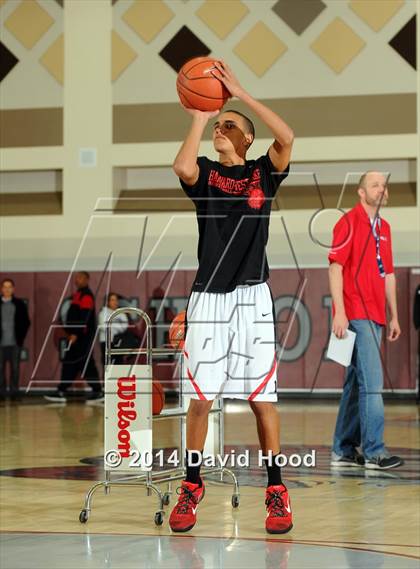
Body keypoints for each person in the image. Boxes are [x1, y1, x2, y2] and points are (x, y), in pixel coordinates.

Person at [168, 61, 294, 534]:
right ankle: (192, 484)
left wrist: (239, 94)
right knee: (200, 400)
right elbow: (181, 165)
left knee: (262, 399)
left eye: (230, 126)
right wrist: (201, 113)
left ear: (246, 140)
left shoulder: (264, 171)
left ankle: (276, 491)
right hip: (208, 297)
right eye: (218, 125)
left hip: (253, 297)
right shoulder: (202, 173)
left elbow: (287, 137)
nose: (222, 130)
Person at [329, 171, 404, 470]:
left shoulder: (384, 227)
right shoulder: (347, 223)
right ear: (361, 192)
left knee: (356, 386)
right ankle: (374, 452)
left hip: (376, 314)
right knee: (372, 384)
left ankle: (343, 449)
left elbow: (388, 274)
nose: (381, 189)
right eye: (375, 185)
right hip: (355, 313)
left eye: (384, 184)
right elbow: (335, 268)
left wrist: (394, 314)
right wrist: (339, 311)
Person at [45, 271, 103, 403]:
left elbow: (84, 317)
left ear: (87, 280)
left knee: (86, 364)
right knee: (69, 364)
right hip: (75, 337)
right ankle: (61, 391)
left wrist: (75, 333)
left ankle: (98, 391)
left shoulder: (87, 296)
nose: (77, 280)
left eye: (81, 278)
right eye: (76, 278)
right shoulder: (78, 295)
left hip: (82, 338)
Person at [0, 278, 31, 401]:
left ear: (13, 289)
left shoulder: (19, 304)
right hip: (0, 344)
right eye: (5, 287)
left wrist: (20, 337)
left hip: (15, 344)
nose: (7, 289)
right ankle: (1, 393)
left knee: (15, 369)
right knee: (0, 370)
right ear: (1, 289)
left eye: (9, 287)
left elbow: (26, 322)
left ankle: (14, 393)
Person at [98, 292, 128, 366]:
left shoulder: (121, 313)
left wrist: (111, 325)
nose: (115, 302)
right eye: (112, 300)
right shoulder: (103, 313)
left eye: (116, 300)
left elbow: (124, 327)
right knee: (108, 366)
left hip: (118, 343)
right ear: (108, 302)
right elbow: (103, 327)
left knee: (119, 365)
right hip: (106, 343)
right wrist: (117, 325)